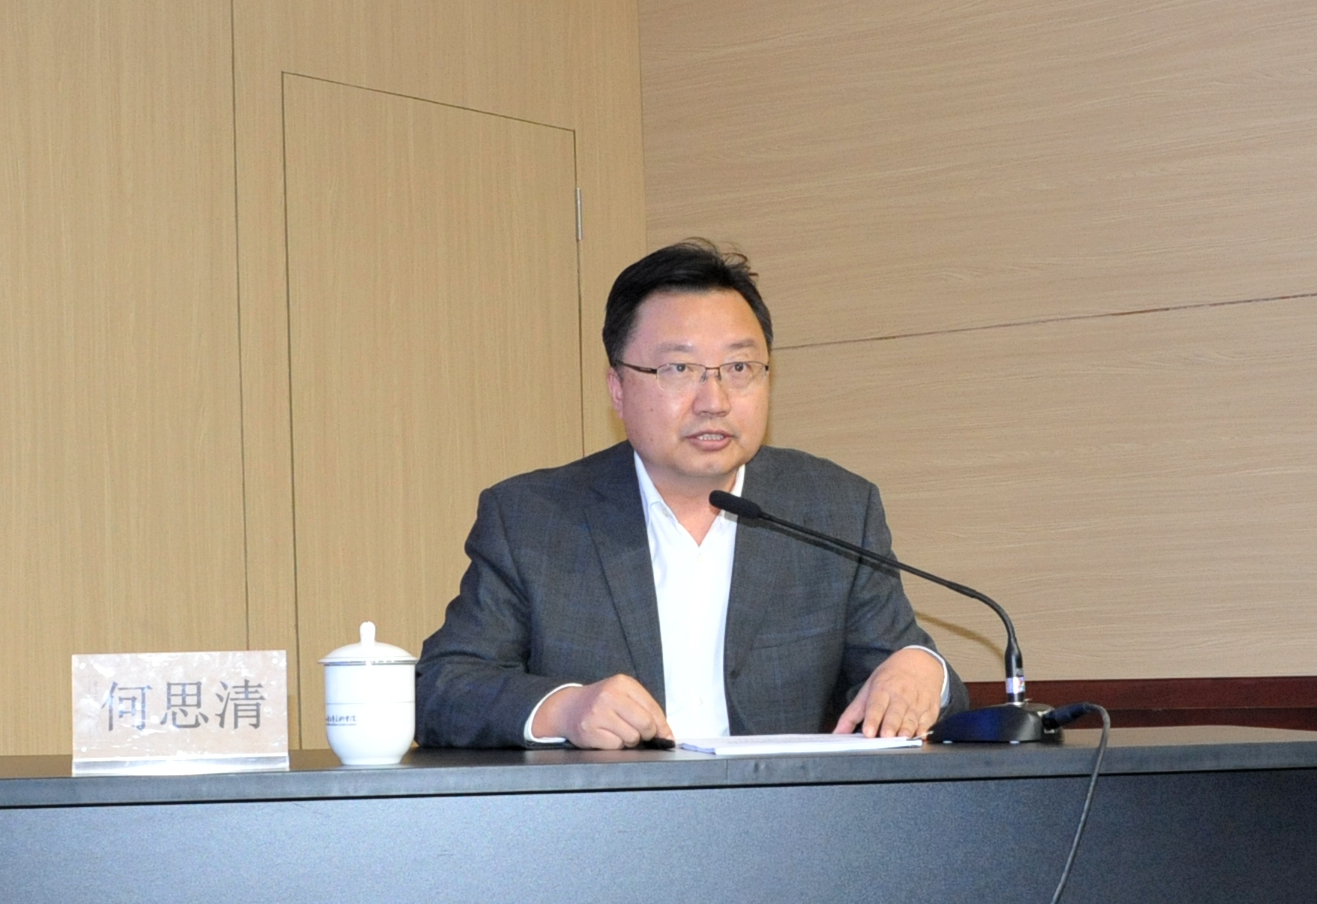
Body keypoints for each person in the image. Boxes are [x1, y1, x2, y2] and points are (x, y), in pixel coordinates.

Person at [415, 240, 969, 749]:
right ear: (618, 389)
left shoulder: (834, 508)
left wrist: (923, 670)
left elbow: (903, 678)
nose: (715, 400)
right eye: (679, 368)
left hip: (784, 815)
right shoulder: (533, 519)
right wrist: (564, 709)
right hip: (610, 817)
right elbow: (441, 688)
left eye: (739, 367)